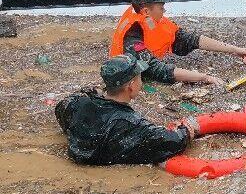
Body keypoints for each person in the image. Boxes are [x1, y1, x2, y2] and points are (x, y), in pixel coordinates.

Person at [110, 0, 246, 86]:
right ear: (146, 10)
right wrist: (205, 77)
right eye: (161, 6)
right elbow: (157, 70)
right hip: (129, 78)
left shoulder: (151, 18)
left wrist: (236, 50)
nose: (165, 10)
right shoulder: (132, 36)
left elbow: (190, 39)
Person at [55, 54, 197, 165]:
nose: (141, 83)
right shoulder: (130, 123)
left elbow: (61, 107)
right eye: (139, 79)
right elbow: (171, 141)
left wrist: (92, 92)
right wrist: (185, 132)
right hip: (99, 162)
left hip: (81, 156)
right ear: (131, 85)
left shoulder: (78, 104)